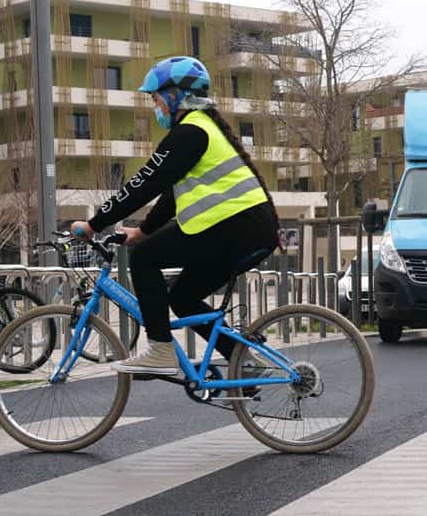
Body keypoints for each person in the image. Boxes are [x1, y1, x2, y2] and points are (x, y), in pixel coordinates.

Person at [70, 56, 279, 376]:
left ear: (174, 95)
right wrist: (145, 230)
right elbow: (170, 194)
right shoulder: (203, 128)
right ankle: (241, 358)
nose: (155, 107)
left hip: (237, 227)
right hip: (247, 229)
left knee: (144, 259)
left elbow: (144, 184)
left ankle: (160, 350)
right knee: (181, 298)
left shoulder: (190, 132)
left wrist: (95, 223)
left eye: (155, 98)